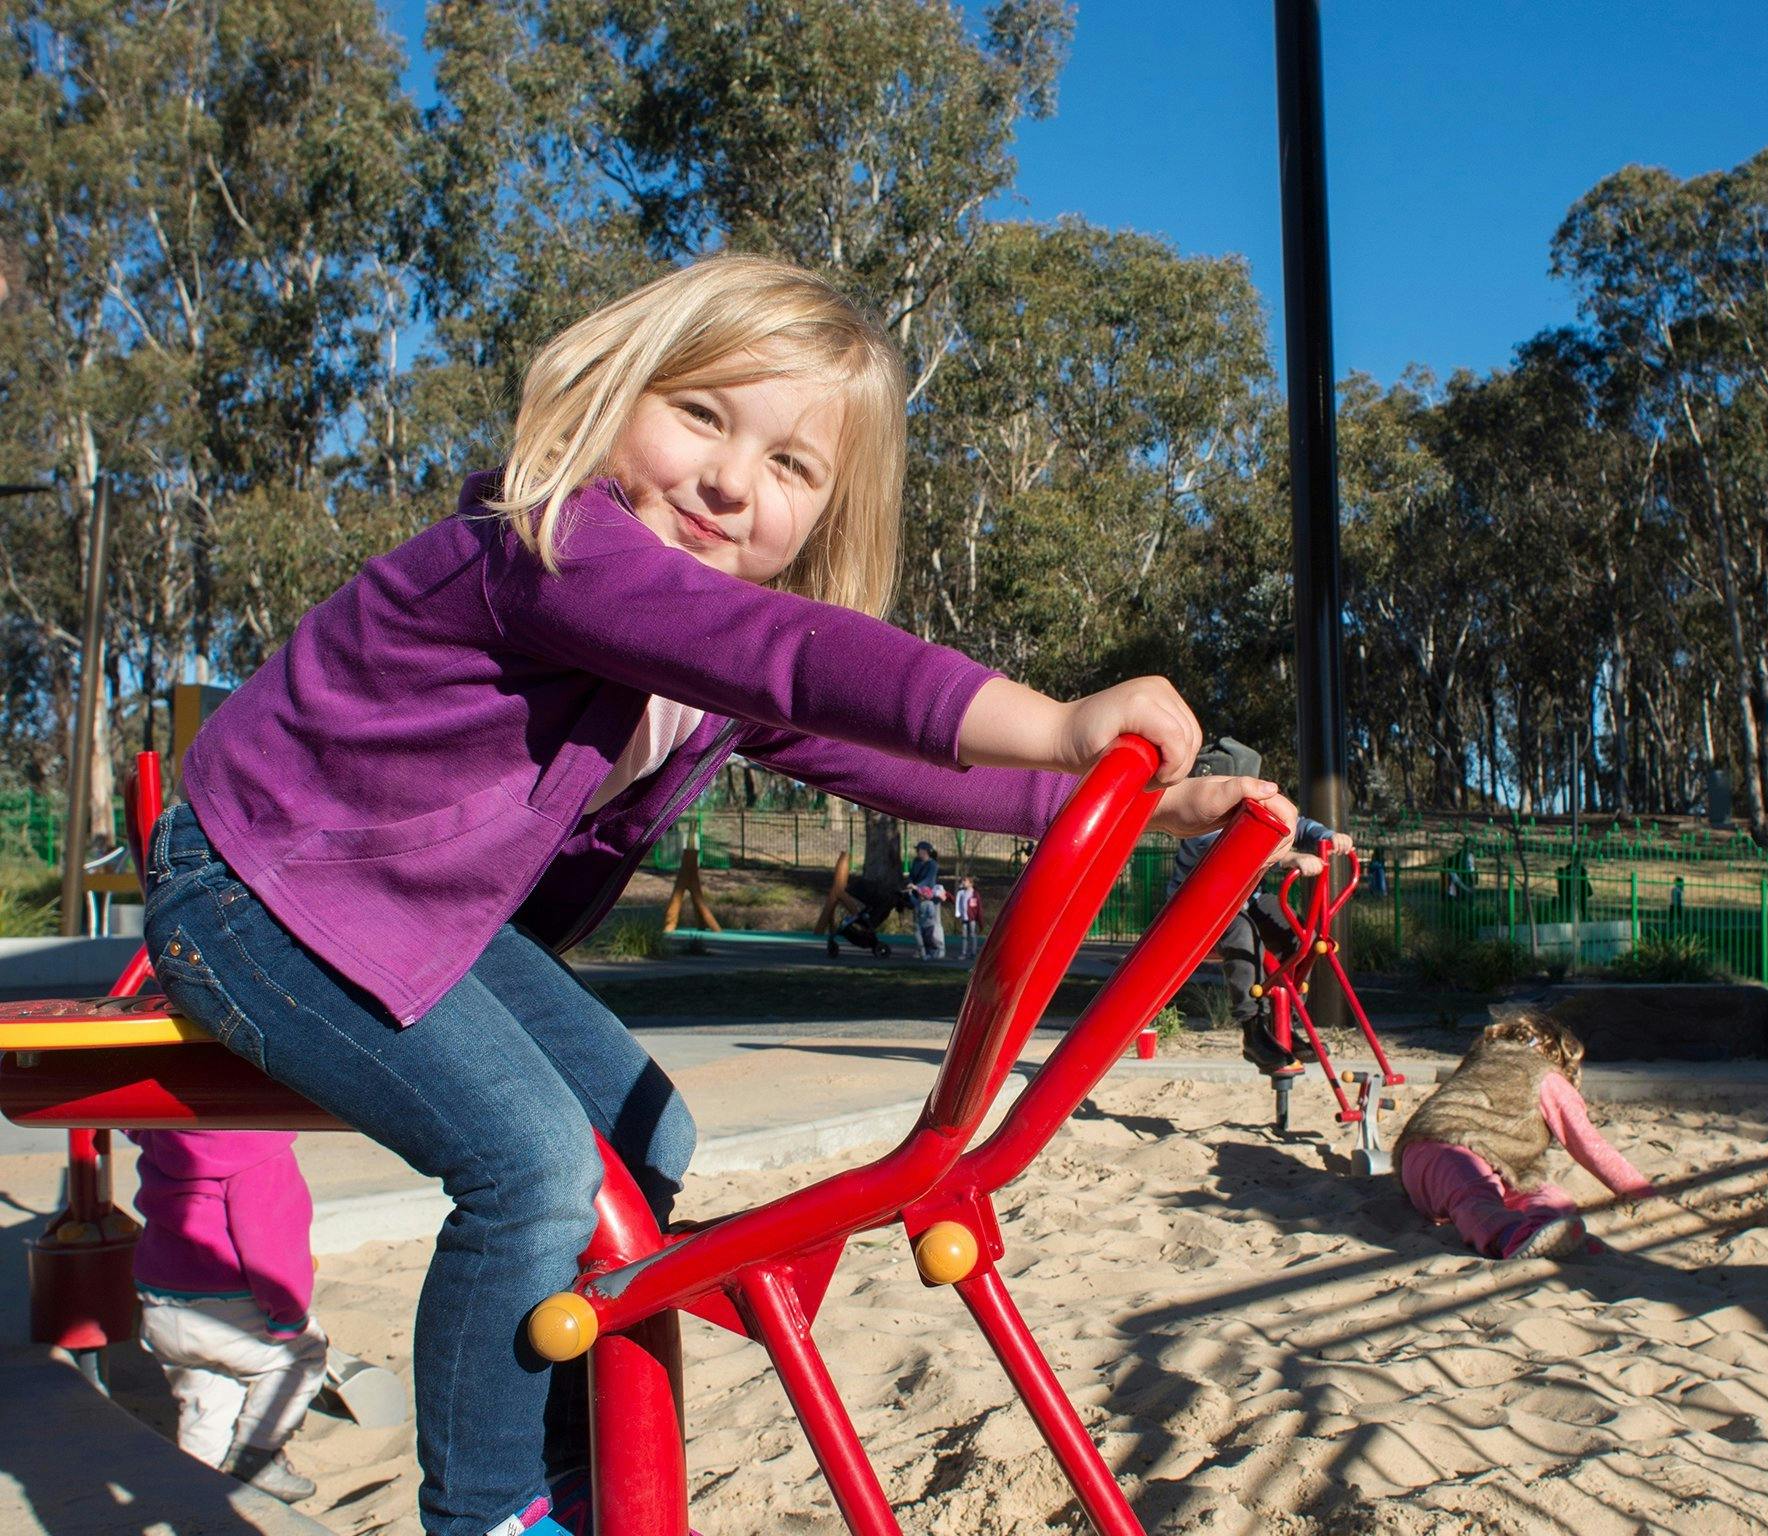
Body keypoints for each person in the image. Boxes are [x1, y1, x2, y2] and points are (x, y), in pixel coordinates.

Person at [142, 252, 1295, 1536]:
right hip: (259, 886)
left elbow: (916, 767)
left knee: (645, 1140)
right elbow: (796, 657)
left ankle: (581, 1467)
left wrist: (1155, 807)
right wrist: (1062, 717)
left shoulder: (706, 674)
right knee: (527, 1163)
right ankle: (493, 1512)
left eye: (792, 466)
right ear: (610, 390)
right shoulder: (548, 546)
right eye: (699, 413)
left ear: (823, 514)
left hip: (423, 916)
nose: (731, 479)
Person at [129, 1129, 328, 1504]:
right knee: (303, 1355)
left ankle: (197, 1493)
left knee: (207, 1395)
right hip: (226, 1305)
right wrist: (288, 1313)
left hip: (162, 1303)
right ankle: (256, 1456)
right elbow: (271, 1240)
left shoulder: (160, 1135)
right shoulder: (258, 1151)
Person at [1394, 1009, 1655, 1260]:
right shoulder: (1546, 1077)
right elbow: (1589, 1145)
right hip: (1448, 1147)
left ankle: (1549, 1233)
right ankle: (1510, 1237)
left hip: (1418, 1162)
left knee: (1543, 1195)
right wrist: (1641, 1193)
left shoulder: (1481, 1060)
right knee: (1476, 1194)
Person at [1165, 737, 1352, 1076]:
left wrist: (1325, 835)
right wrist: (1289, 857)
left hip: (1245, 899)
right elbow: (1229, 850)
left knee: (1299, 934)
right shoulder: (1197, 824)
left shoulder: (1257, 810)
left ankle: (1288, 1021)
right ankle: (1253, 1029)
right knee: (1242, 934)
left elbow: (1299, 824)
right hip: (1198, 910)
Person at [908, 839, 946, 959]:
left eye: (919, 850)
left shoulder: (933, 864)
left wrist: (917, 887)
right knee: (918, 926)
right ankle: (921, 950)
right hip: (917, 897)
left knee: (934, 924)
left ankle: (939, 949)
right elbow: (911, 876)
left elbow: (929, 880)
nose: (917, 852)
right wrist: (910, 884)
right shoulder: (916, 862)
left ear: (925, 851)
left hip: (929, 898)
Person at [954, 874, 983, 959]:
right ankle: (964, 953)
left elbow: (978, 907)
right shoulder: (961, 893)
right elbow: (958, 903)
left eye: (965, 881)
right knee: (964, 936)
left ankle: (973, 953)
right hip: (964, 918)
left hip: (972, 918)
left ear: (970, 883)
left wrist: (979, 917)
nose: (963, 882)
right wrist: (958, 914)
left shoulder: (974, 894)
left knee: (973, 935)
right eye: (962, 881)